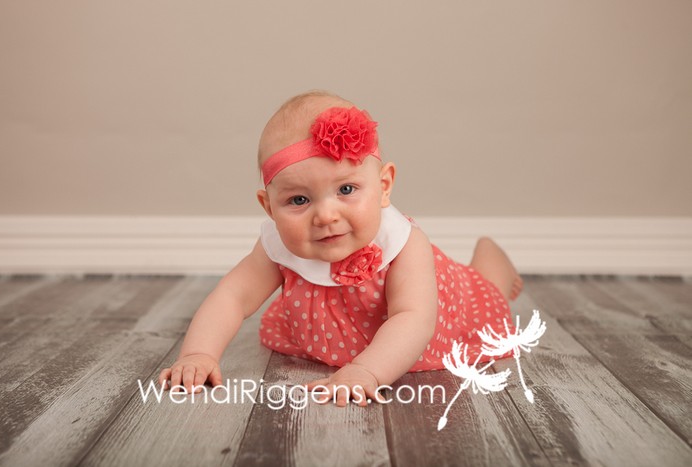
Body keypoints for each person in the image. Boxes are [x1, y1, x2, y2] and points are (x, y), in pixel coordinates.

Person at [159, 90, 523, 406]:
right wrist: (198, 353)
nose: (325, 216)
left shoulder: (404, 243)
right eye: (299, 200)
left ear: (383, 186)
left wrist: (366, 371)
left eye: (346, 190)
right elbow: (232, 297)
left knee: (487, 287)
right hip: (338, 338)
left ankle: (492, 255)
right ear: (269, 207)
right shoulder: (278, 246)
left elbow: (413, 318)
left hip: (442, 316)